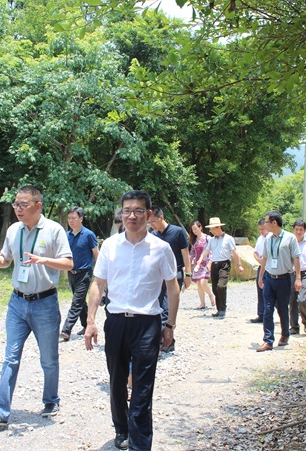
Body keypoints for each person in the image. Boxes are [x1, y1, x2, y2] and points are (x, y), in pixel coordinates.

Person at [84, 190, 179, 451]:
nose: (132, 216)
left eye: (138, 211)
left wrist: (169, 325)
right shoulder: (110, 245)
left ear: (148, 214)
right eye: (127, 210)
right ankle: (121, 429)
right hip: (116, 322)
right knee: (116, 382)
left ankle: (140, 444)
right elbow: (98, 284)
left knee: (142, 387)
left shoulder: (161, 249)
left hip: (147, 324)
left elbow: (173, 288)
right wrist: (90, 321)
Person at [0, 185, 72, 429]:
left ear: (38, 205)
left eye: (23, 205)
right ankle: (0, 411)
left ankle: (51, 400)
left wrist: (44, 260)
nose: (18, 209)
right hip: (17, 303)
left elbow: (68, 263)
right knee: (10, 358)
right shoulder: (13, 230)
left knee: (49, 359)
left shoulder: (54, 230)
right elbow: (6, 261)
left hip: (45, 303)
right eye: (15, 205)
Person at [256, 210, 301, 352]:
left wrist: (298, 278)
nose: (265, 225)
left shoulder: (290, 238)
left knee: (282, 309)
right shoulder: (268, 238)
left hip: (284, 279)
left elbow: (296, 258)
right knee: (267, 309)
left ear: (274, 223)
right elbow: (265, 258)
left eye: (267, 222)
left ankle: (285, 334)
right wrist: (261, 276)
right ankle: (268, 340)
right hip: (269, 278)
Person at [148, 206, 191, 353]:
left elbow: (185, 254)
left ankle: (164, 341)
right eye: (149, 223)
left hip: (175, 274)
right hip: (158, 276)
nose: (152, 225)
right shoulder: (153, 235)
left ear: (161, 217)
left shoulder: (177, 232)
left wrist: (188, 274)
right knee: (157, 306)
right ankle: (166, 340)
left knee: (166, 307)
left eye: (153, 221)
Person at [61, 207, 99, 341]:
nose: (71, 221)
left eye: (74, 218)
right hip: (71, 272)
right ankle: (86, 325)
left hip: (85, 273)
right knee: (80, 301)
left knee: (76, 301)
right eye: (69, 218)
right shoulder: (66, 236)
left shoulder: (88, 235)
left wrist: (100, 273)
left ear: (81, 219)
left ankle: (66, 329)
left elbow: (96, 254)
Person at [194, 217, 244, 319]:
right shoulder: (212, 240)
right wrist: (200, 260)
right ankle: (219, 309)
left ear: (218, 227)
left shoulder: (228, 238)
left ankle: (222, 309)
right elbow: (206, 251)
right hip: (214, 265)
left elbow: (234, 252)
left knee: (221, 286)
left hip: (224, 264)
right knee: (215, 288)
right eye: (211, 229)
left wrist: (239, 265)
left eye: (213, 229)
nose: (211, 231)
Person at [189, 221, 215, 309]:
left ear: (200, 228)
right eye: (193, 230)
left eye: (196, 229)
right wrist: (188, 263)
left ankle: (211, 295)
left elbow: (211, 251)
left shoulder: (208, 238)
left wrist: (210, 262)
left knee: (203, 282)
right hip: (198, 265)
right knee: (199, 285)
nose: (194, 231)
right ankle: (202, 303)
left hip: (206, 263)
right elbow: (192, 253)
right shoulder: (194, 240)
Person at [250, 219, 269, 323]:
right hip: (261, 266)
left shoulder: (271, 238)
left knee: (270, 291)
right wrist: (259, 260)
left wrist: (264, 262)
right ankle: (261, 314)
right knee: (260, 290)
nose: (262, 231)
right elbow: (255, 252)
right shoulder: (260, 239)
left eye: (263, 229)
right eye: (260, 229)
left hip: (270, 267)